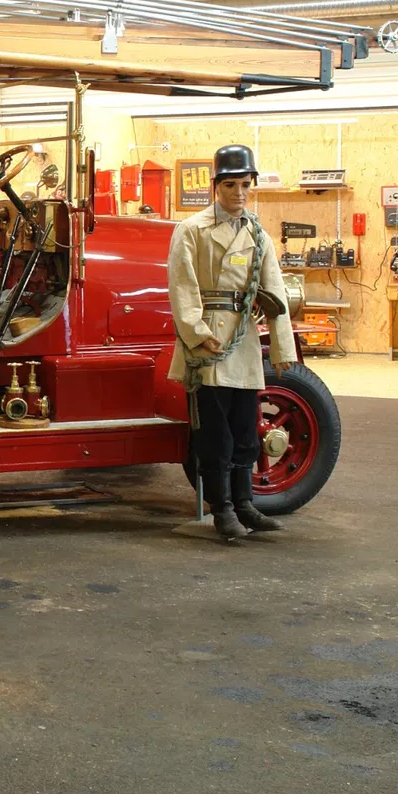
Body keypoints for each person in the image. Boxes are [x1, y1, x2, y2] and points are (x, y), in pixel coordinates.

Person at [166, 144, 297, 541]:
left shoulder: (258, 234)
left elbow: (274, 293)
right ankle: (221, 508)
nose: (239, 192)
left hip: (242, 340)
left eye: (245, 184)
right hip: (208, 342)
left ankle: (244, 505)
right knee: (214, 432)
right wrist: (198, 334)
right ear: (215, 185)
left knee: (244, 426)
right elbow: (182, 287)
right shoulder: (191, 230)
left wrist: (283, 348)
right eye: (230, 184)